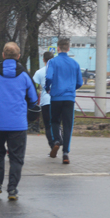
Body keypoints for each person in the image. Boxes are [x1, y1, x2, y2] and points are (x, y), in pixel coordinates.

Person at [0, 42, 38, 201]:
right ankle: (12, 189)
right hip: (18, 124)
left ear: (3, 56)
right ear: (19, 57)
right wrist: (29, 109)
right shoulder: (24, 75)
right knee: (16, 157)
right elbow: (33, 98)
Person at [45, 37, 83, 165]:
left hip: (56, 97)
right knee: (68, 125)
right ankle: (65, 152)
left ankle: (56, 140)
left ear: (58, 48)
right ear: (68, 48)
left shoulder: (52, 62)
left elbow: (49, 76)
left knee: (54, 121)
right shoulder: (75, 64)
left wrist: (47, 87)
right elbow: (80, 82)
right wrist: (72, 88)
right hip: (69, 98)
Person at [31, 51, 55, 154]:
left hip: (45, 102)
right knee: (57, 122)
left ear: (43, 60)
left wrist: (34, 98)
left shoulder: (39, 72)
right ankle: (59, 139)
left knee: (48, 125)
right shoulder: (57, 71)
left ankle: (52, 145)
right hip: (58, 100)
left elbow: (33, 87)